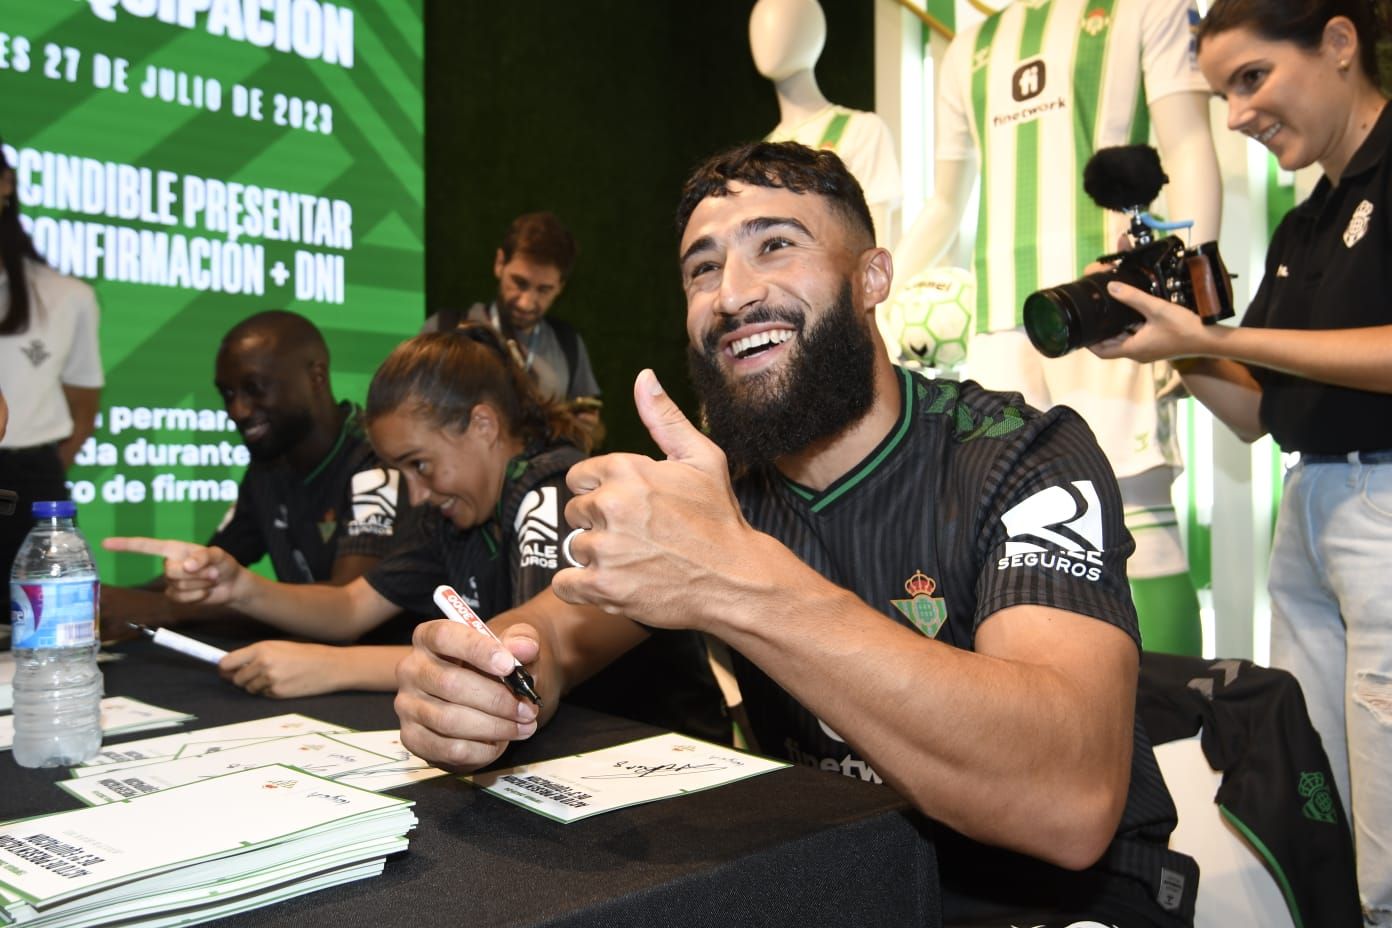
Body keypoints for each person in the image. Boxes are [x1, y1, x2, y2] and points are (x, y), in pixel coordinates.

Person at [395, 142, 1198, 927]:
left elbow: (1067, 800)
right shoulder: (726, 494)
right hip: (843, 876)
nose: (733, 295)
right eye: (702, 268)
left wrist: (733, 579)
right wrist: (475, 678)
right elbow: (554, 639)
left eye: (776, 245)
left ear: (872, 278)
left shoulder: (1021, 455)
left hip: (1057, 903)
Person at [1090, 1, 1392, 919]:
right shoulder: (1309, 224)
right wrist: (1173, 342)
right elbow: (1260, 414)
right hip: (1310, 508)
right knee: (1325, 789)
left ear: (1340, 44)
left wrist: (1232, 336)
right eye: (1222, 92)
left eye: (1252, 79)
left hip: (1381, 505)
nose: (1234, 115)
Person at [106, 327, 722, 740]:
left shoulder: (551, 489)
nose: (415, 493)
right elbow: (349, 607)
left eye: (419, 465)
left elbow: (516, 658)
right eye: (401, 472)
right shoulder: (446, 514)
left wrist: (330, 668)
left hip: (668, 759)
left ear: (483, 425)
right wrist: (240, 588)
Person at [891, 0, 1222, 656]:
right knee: (1021, 537)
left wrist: (1184, 293)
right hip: (999, 329)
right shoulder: (971, 45)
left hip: (1108, 311)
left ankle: (1178, 734)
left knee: (1135, 518)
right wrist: (874, 290)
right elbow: (947, 201)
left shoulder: (1143, 8)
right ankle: (1046, 727)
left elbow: (1189, 145)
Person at [100, 310, 409, 636]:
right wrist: (117, 600)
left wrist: (168, 611)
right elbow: (214, 572)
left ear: (316, 377)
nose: (238, 411)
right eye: (228, 394)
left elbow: (347, 606)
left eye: (255, 388)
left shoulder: (376, 464)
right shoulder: (268, 469)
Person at [0, 138, 103, 617]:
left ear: (6, 185)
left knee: (32, 624)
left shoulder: (65, 296)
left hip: (29, 483)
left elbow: (84, 402)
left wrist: (41, 471)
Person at [421, 212, 603, 439]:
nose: (527, 302)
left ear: (561, 287)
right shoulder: (444, 329)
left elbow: (592, 428)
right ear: (499, 264)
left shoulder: (569, 345)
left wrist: (583, 428)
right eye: (519, 283)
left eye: (544, 290)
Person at [750, 0, 901, 244]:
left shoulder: (860, 130)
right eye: (759, 29)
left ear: (813, 34)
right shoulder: (761, 154)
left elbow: (877, 241)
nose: (768, 37)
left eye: (785, 25)